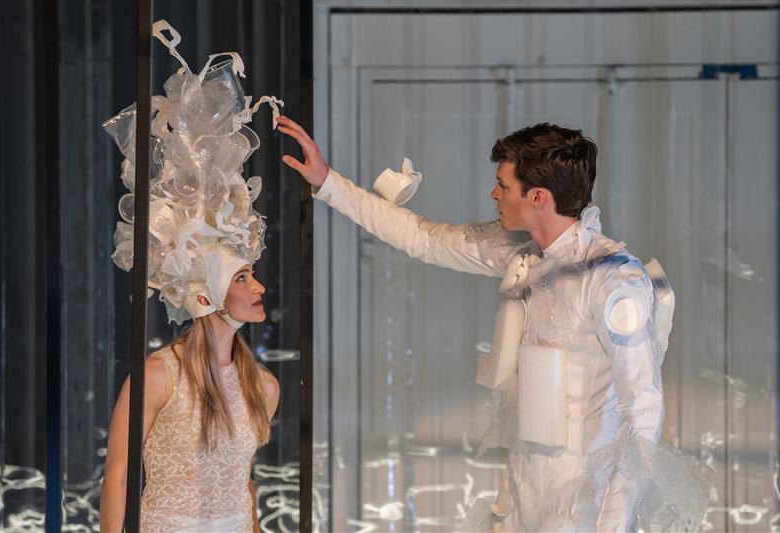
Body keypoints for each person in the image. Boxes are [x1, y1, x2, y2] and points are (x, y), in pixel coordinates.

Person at [278, 116, 710, 531]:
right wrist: (328, 182)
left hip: (584, 504)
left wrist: (612, 524)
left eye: (503, 186)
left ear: (537, 196)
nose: (494, 194)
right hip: (523, 490)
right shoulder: (523, 252)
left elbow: (644, 405)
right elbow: (425, 238)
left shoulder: (612, 277)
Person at [99, 21, 282, 532]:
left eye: (252, 275)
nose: (259, 287)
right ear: (208, 293)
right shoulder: (159, 375)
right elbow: (118, 476)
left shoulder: (262, 386)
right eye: (242, 278)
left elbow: (244, 483)